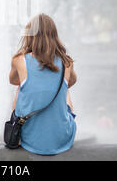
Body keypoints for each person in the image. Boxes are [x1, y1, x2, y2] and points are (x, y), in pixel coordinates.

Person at [9, 13, 77, 155]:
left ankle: (15, 126)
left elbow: (13, 80)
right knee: (64, 88)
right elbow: (72, 81)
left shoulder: (19, 60)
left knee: (19, 87)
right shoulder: (67, 62)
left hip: (30, 139)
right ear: (54, 35)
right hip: (62, 138)